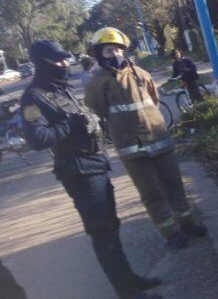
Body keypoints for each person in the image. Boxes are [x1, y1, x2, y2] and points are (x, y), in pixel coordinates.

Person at [20, 40, 161, 299]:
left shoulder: (64, 89)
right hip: (78, 170)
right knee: (102, 233)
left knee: (111, 226)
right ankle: (126, 291)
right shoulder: (34, 96)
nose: (64, 64)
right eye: (58, 61)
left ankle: (129, 279)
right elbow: (37, 139)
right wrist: (68, 126)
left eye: (65, 59)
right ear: (43, 63)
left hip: (96, 164)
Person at [84, 28, 207, 250]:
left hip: (160, 140)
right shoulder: (97, 83)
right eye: (109, 50)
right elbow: (98, 109)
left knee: (175, 186)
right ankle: (171, 233)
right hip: (132, 148)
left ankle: (188, 224)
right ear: (100, 54)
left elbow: (154, 100)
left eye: (119, 49)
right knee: (152, 194)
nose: (116, 54)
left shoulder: (141, 74)